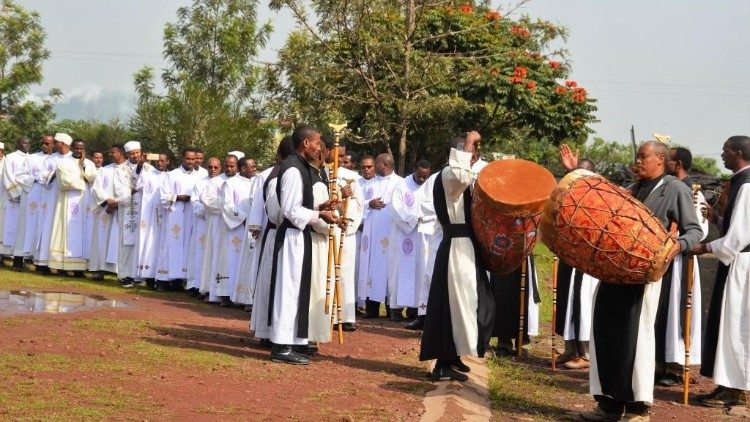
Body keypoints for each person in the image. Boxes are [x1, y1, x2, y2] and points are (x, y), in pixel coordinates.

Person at [581, 141, 702, 422]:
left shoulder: (674, 189)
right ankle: (608, 404)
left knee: (637, 340)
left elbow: (694, 231)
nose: (638, 161)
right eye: (637, 156)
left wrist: (678, 245)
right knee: (605, 335)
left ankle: (638, 409)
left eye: (643, 156)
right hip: (614, 273)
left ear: (660, 159)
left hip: (644, 276)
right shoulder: (632, 189)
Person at [419, 131, 495, 382]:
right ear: (459, 153)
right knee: (455, 304)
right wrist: (469, 141)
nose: (474, 156)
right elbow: (461, 174)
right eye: (471, 152)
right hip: (457, 248)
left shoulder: (456, 175)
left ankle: (453, 356)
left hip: (465, 247)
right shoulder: (450, 175)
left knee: (465, 303)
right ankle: (443, 363)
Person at [268, 125, 338, 365]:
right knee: (288, 290)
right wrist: (319, 216)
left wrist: (321, 207)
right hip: (291, 238)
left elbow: (300, 205)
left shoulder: (302, 168)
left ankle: (295, 341)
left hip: (301, 236)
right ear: (305, 143)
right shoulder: (292, 170)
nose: (320, 148)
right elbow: (289, 209)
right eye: (317, 143)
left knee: (298, 290)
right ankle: (281, 345)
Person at [692, 136, 750, 407]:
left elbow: (738, 239)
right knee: (727, 323)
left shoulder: (747, 184)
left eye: (726, 151)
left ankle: (737, 391)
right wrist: (718, 220)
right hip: (737, 263)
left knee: (737, 325)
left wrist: (703, 247)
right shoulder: (741, 181)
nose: (722, 155)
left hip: (743, 266)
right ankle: (727, 384)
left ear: (739, 153)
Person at [650, 146, 709, 385]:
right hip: (661, 260)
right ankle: (659, 363)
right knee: (659, 311)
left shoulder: (692, 192)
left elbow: (699, 230)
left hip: (679, 262)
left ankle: (675, 366)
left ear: (678, 164)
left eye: (670, 160)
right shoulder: (663, 187)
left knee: (676, 311)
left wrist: (677, 242)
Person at [555, 144, 600, 370]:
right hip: (570, 253)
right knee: (567, 299)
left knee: (582, 303)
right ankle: (570, 348)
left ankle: (585, 354)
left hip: (588, 258)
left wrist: (575, 171)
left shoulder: (599, 195)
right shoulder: (573, 190)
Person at [249, 137, 294, 347]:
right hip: (274, 230)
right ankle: (267, 329)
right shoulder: (269, 175)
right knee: (270, 279)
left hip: (280, 231)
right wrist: (256, 225)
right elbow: (259, 203)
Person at [357, 153, 403, 319]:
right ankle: (371, 307)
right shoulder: (371, 184)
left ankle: (393, 308)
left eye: (376, 164)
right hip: (372, 234)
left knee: (391, 268)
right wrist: (369, 204)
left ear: (385, 164)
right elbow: (357, 203)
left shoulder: (400, 183)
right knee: (371, 267)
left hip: (392, 234)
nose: (373, 167)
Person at [388, 159, 431, 324]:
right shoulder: (401, 186)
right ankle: (396, 309)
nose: (421, 180)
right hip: (402, 235)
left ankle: (414, 309)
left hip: (421, 236)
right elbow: (396, 209)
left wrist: (426, 220)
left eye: (425, 177)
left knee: (419, 271)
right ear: (414, 170)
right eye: (419, 176)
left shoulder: (429, 186)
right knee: (398, 270)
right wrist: (413, 219)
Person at [48, 138, 97, 273]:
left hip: (84, 201)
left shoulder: (89, 163)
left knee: (84, 230)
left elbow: (93, 179)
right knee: (65, 230)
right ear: (72, 148)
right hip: (67, 201)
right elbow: (65, 182)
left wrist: (83, 166)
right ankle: (62, 266)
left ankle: (80, 268)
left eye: (82, 149)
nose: (79, 151)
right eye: (77, 148)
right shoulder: (63, 162)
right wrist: (82, 182)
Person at [155, 147, 201, 288]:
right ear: (182, 158)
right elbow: (163, 195)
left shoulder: (199, 176)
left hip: (191, 216)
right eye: (188, 158)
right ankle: (162, 280)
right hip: (174, 214)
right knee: (169, 245)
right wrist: (179, 197)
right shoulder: (172, 175)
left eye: (193, 159)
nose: (190, 161)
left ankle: (178, 280)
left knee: (187, 246)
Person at [112, 141, 154, 288]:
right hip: (128, 209)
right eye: (132, 153)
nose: (135, 156)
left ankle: (140, 275)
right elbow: (118, 191)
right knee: (127, 243)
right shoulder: (120, 170)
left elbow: (152, 187)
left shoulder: (149, 168)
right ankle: (125, 275)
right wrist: (133, 190)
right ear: (127, 155)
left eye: (137, 153)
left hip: (144, 211)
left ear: (141, 153)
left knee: (142, 242)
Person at [34, 133, 76, 272]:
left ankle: (61, 266)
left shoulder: (74, 159)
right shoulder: (51, 159)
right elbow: (40, 175)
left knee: (64, 229)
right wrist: (52, 175)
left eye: (56, 142)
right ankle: (44, 263)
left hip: (66, 200)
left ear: (62, 144)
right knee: (48, 227)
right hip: (51, 199)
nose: (54, 144)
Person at [220, 155, 256, 305]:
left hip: (252, 228)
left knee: (249, 260)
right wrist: (243, 217)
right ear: (242, 168)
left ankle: (246, 297)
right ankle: (228, 295)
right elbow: (227, 204)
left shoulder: (258, 182)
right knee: (232, 260)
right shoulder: (230, 183)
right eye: (252, 166)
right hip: (235, 227)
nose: (255, 169)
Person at [88, 144, 126, 279]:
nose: (110, 155)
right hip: (105, 209)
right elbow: (96, 189)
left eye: (113, 152)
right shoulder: (105, 170)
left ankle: (121, 271)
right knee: (101, 238)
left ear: (121, 153)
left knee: (121, 240)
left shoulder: (129, 170)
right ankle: (99, 269)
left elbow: (131, 190)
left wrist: (117, 204)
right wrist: (107, 201)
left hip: (123, 210)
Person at [184, 157, 221, 294]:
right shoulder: (200, 183)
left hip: (217, 223)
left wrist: (213, 208)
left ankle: (211, 286)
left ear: (220, 168)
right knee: (198, 253)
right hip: (202, 223)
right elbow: (195, 203)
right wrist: (208, 210)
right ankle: (196, 284)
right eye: (210, 167)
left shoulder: (224, 182)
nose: (212, 170)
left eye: (215, 167)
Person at [199, 155, 232, 302]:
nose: (230, 168)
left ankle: (230, 292)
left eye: (233, 166)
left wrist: (231, 208)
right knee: (213, 255)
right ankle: (212, 290)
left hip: (234, 227)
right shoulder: (215, 182)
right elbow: (206, 200)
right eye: (227, 165)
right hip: (216, 224)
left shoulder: (240, 182)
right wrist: (226, 204)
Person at [20, 135, 54, 269]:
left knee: (46, 226)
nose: (44, 145)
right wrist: (36, 178)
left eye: (47, 143)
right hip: (34, 194)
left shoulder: (56, 159)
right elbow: (22, 175)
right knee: (31, 224)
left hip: (49, 195)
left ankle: (43, 260)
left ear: (53, 145)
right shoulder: (32, 158)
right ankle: (27, 255)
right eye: (43, 143)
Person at [136, 153, 171, 283]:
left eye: (162, 161)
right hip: (150, 215)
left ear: (168, 161)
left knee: (163, 244)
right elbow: (137, 186)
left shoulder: (171, 176)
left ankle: (163, 276)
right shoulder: (148, 175)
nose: (160, 163)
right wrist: (141, 166)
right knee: (150, 242)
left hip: (166, 214)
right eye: (158, 161)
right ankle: (148, 275)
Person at [2, 138, 31, 267]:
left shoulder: (32, 158)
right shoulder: (10, 157)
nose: (27, 145)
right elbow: (8, 175)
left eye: (28, 143)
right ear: (18, 144)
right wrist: (18, 193)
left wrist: (27, 195)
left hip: (27, 199)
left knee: (22, 229)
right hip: (12, 197)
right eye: (25, 142)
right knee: (8, 226)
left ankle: (19, 259)